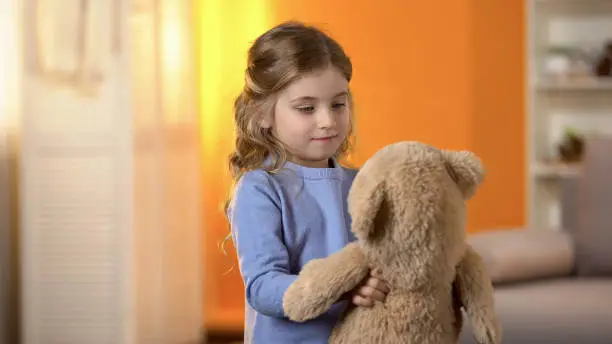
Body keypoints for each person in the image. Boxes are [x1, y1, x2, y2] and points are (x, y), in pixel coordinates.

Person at [225, 21, 390, 344]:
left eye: (338, 104)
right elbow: (262, 288)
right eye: (306, 108)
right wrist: (342, 284)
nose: (327, 120)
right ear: (263, 114)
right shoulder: (261, 189)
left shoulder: (362, 183)